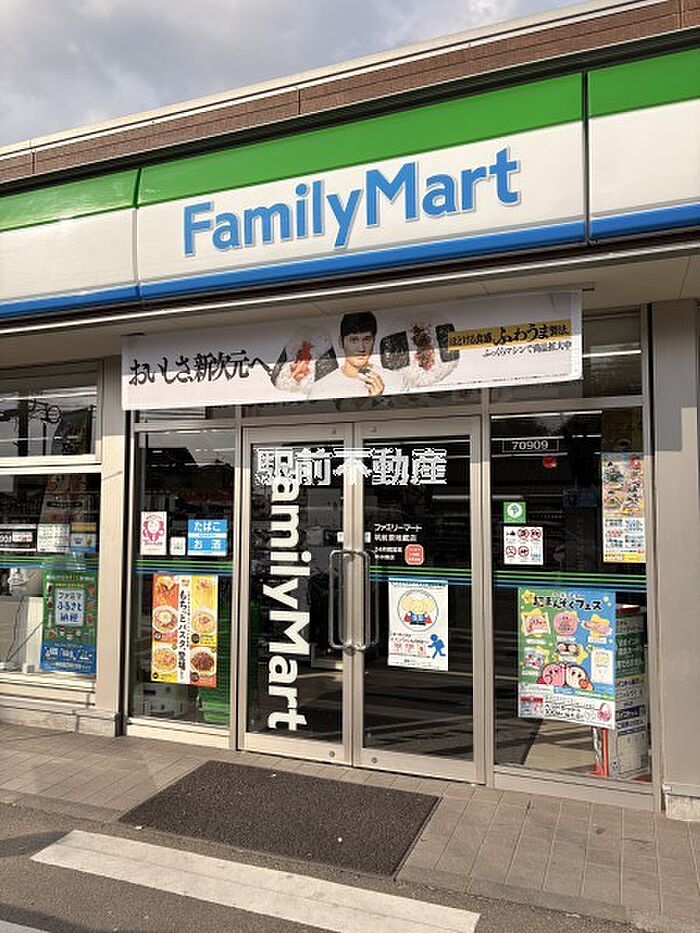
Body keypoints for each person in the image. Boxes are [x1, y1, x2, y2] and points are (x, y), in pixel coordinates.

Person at [312, 311, 386, 398]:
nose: (361, 348)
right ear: (341, 342)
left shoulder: (394, 379)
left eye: (366, 340)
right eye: (354, 340)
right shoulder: (321, 387)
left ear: (374, 341)